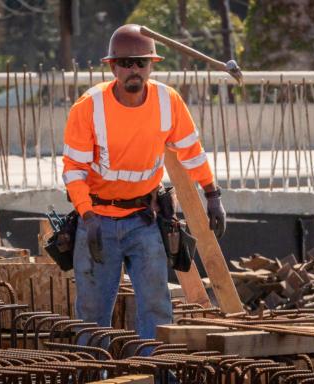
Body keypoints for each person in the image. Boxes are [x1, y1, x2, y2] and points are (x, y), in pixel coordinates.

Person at [62, 24, 226, 343]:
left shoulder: (168, 102)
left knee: (156, 307)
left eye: (141, 62)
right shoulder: (89, 108)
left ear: (152, 65)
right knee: (93, 315)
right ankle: (95, 374)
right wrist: (88, 216)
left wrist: (212, 193)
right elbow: (74, 169)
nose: (133, 70)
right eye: (125, 63)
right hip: (98, 220)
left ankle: (156, 372)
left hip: (144, 220)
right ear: (112, 67)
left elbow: (191, 151)